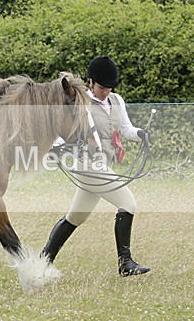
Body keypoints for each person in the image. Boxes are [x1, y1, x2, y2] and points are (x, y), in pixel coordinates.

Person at [42, 56, 151, 276]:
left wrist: (141, 134)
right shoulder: (81, 103)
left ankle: (42, 261)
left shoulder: (117, 101)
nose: (106, 92)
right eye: (102, 87)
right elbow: (66, 130)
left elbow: (127, 129)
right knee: (128, 203)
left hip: (104, 165)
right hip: (89, 165)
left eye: (110, 88)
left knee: (76, 217)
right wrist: (55, 146)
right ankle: (125, 263)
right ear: (91, 82)